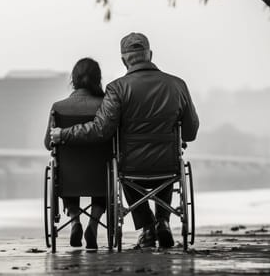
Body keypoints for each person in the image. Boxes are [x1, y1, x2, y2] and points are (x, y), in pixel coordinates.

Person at [51, 32, 199, 249]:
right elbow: (190, 132)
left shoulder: (117, 89)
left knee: (123, 163)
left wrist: (63, 134)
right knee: (170, 154)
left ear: (123, 59)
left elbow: (101, 130)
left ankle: (148, 227)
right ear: (150, 54)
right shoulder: (178, 85)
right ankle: (164, 222)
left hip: (131, 167)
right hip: (168, 164)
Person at [44, 57, 107, 250]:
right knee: (106, 168)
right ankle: (93, 225)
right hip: (100, 176)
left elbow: (48, 143)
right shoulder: (106, 107)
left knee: (63, 168)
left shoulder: (58, 108)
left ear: (74, 79)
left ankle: (74, 221)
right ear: (98, 79)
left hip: (69, 177)